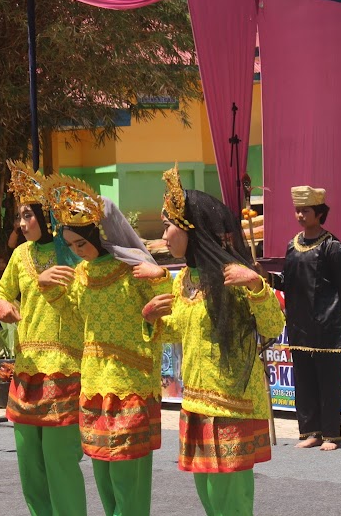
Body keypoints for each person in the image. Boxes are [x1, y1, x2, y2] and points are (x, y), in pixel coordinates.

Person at [142, 165, 284, 516]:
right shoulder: (185, 279)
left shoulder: (231, 276)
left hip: (231, 405)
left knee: (232, 503)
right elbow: (182, 332)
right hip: (197, 405)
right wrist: (152, 318)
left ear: (190, 228)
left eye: (167, 226)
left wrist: (256, 286)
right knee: (208, 498)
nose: (163, 236)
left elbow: (272, 326)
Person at [39, 176, 171, 516]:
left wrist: (158, 291)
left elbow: (171, 325)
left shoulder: (135, 270)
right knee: (103, 474)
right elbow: (73, 321)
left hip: (131, 386)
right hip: (95, 386)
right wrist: (50, 290)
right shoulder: (81, 275)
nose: (77, 253)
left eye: (81, 244)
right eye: (71, 246)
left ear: (101, 234)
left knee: (129, 479)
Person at [0, 161, 87, 516]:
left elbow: (86, 305)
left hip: (64, 369)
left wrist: (51, 287)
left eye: (28, 215)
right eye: (19, 216)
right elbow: (1, 290)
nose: (21, 223)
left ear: (47, 215)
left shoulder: (75, 254)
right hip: (26, 371)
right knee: (29, 465)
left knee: (60, 461)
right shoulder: (20, 255)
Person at [272, 185, 341, 451]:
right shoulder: (292, 245)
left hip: (327, 322)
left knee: (328, 381)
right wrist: (266, 277)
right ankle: (310, 431)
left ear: (319, 213)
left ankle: (331, 434)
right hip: (299, 323)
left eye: (305, 210)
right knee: (305, 381)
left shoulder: (333, 248)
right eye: (297, 210)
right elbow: (287, 281)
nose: (300, 215)